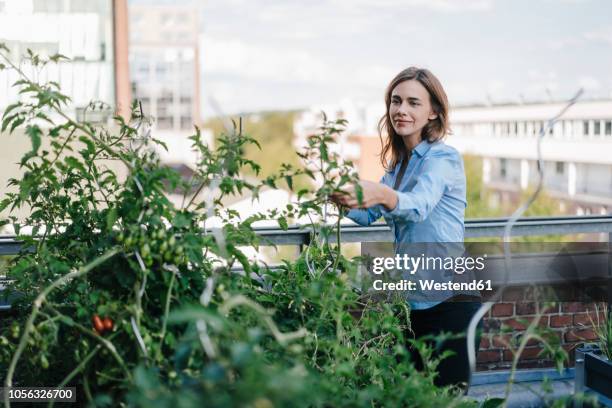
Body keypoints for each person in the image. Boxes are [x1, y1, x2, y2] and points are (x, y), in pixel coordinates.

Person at [331, 67, 481, 390]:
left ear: (433, 112)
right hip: (412, 305)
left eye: (414, 102)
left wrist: (382, 194)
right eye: (396, 101)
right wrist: (339, 197)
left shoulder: (444, 159)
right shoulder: (398, 166)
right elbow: (368, 216)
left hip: (452, 303)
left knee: (445, 399)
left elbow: (418, 205)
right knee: (408, 396)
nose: (401, 110)